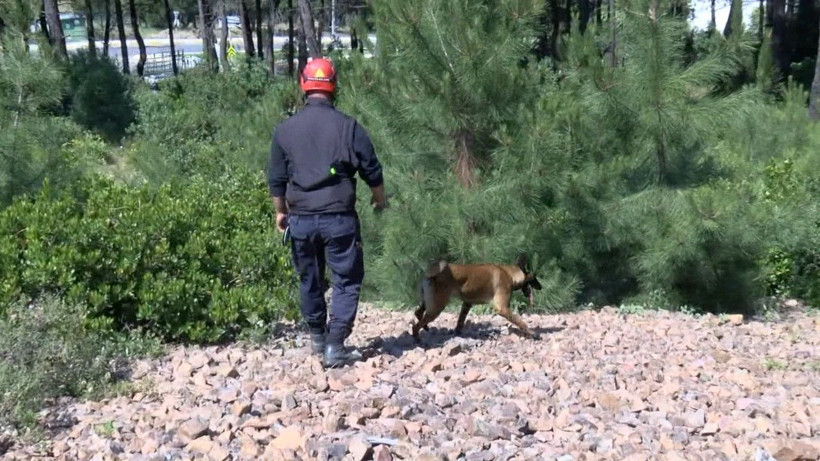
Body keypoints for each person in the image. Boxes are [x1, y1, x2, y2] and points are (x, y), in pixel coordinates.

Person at [267, 57, 386, 368]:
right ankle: (335, 345)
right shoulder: (349, 127)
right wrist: (379, 200)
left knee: (310, 279)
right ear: (333, 86)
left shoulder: (285, 130)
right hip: (339, 218)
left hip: (302, 219)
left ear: (303, 85)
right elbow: (372, 170)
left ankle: (319, 338)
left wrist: (281, 213)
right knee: (346, 279)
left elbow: (277, 181)